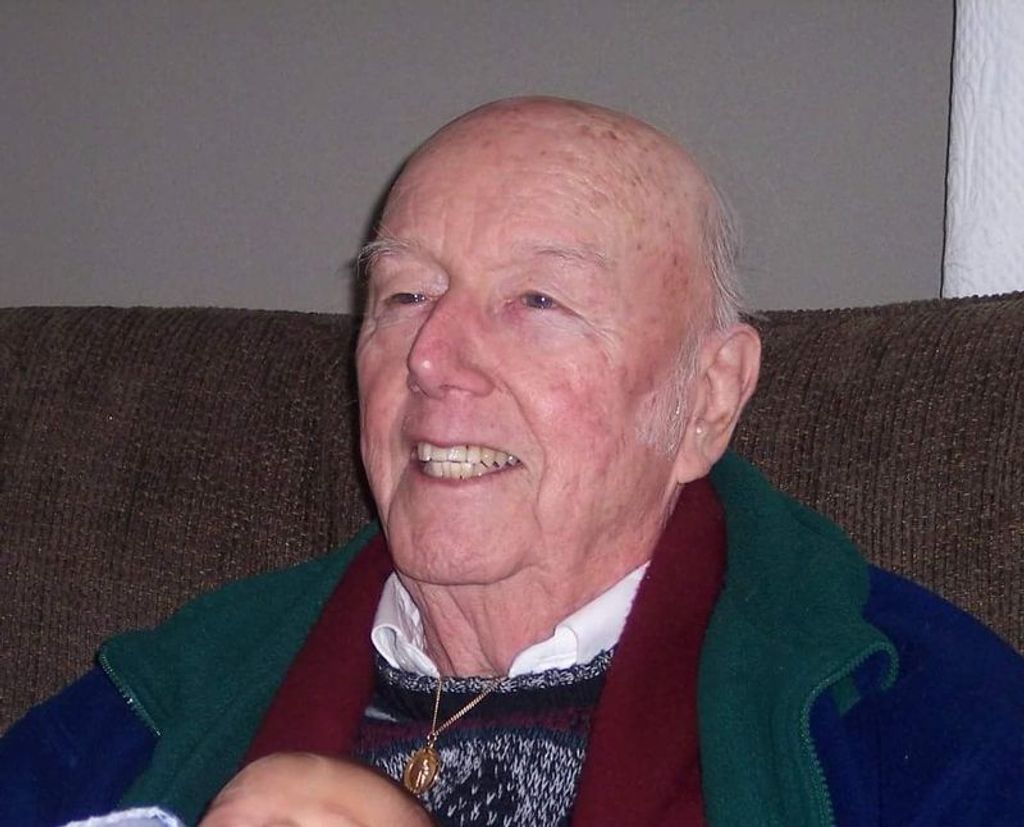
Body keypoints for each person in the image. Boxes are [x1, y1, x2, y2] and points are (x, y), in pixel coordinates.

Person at [2, 96, 1022, 827]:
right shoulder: (179, 681)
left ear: (709, 397)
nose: (431, 356)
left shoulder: (919, 714)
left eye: (538, 300)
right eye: (405, 295)